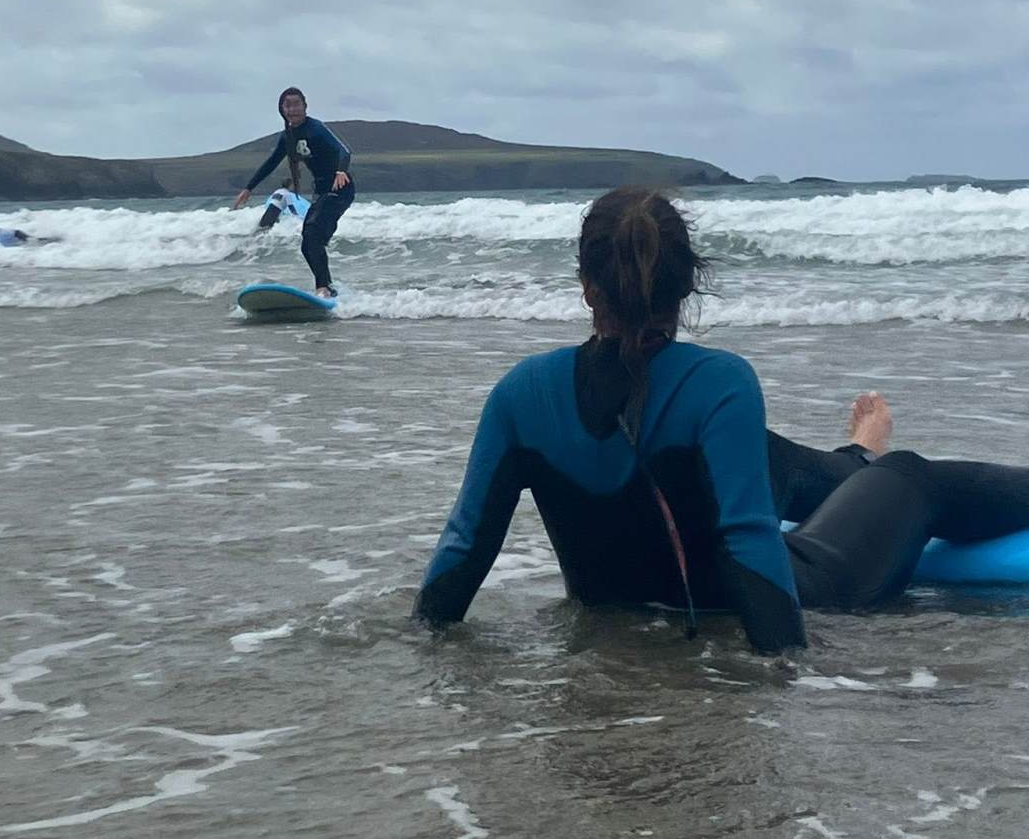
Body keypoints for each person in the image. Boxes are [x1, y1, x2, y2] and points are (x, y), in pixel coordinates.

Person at [414, 187, 1029, 653]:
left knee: (760, 455)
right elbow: (749, 544)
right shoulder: (719, 381)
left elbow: (464, 550)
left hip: (633, 589)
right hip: (816, 585)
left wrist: (423, 647)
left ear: (586, 286)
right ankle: (868, 459)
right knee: (909, 475)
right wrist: (783, 672)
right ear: (688, 284)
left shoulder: (520, 393)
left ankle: (856, 457)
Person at [233, 88, 354, 297]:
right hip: (322, 192)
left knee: (312, 236)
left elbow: (344, 150)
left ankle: (324, 288)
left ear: (305, 106)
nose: (292, 109)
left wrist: (341, 170)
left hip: (340, 188)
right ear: (282, 109)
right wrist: (248, 188)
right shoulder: (287, 137)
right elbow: (271, 162)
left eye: (296, 104)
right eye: (287, 105)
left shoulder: (316, 128)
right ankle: (327, 287)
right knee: (308, 244)